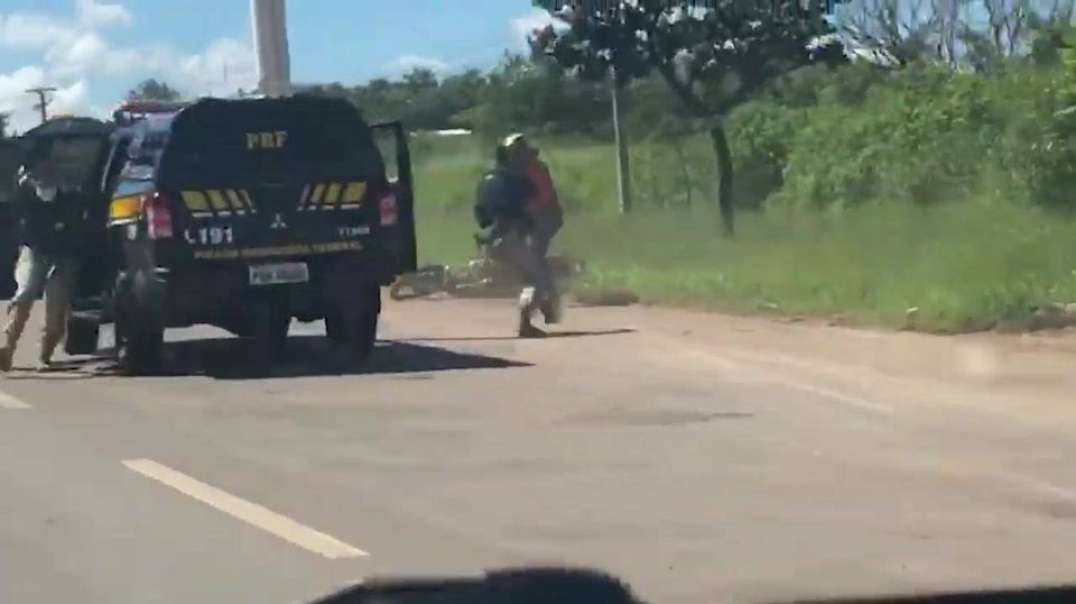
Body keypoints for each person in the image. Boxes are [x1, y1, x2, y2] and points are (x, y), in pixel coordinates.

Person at [0, 144, 85, 371]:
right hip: (34, 251)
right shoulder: (23, 194)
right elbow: (17, 220)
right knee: (25, 294)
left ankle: (44, 356)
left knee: (55, 309)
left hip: (63, 255)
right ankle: (7, 348)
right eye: (38, 168)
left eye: (48, 167)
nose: (43, 172)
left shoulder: (69, 193)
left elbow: (76, 221)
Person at [474, 144, 552, 338]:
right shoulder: (517, 181)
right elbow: (533, 207)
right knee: (538, 277)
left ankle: (540, 309)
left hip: (489, 240)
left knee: (526, 272)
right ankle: (525, 324)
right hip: (510, 238)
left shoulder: (485, 180)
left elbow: (481, 216)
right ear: (512, 158)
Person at [502, 133, 564, 324]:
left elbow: (542, 198)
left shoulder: (533, 169)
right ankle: (548, 303)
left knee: (534, 265)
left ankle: (544, 303)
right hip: (534, 219)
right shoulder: (520, 170)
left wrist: (520, 211)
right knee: (535, 263)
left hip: (543, 218)